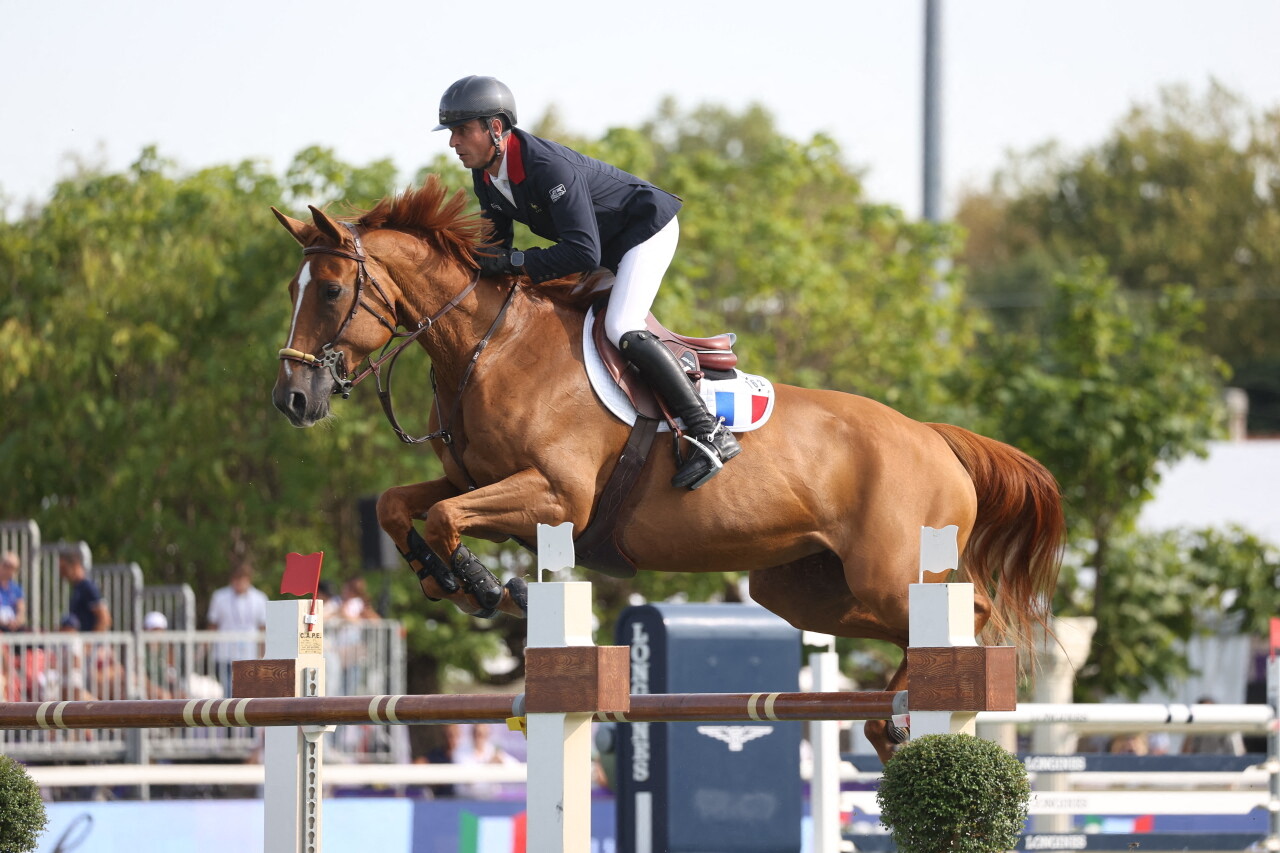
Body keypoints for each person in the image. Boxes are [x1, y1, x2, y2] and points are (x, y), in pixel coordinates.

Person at [435, 75, 741, 490]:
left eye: (461, 130)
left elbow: (582, 253)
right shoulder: (486, 175)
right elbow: (495, 250)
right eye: (450, 132)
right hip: (604, 245)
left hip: (644, 232)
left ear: (496, 127)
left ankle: (709, 431)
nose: (453, 142)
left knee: (621, 326)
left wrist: (515, 262)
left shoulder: (547, 167)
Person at [206, 561, 268, 695]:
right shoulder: (220, 596)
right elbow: (213, 625)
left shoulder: (259, 598)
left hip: (249, 654)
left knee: (247, 690)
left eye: (242, 579)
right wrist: (205, 649)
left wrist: (263, 654)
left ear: (248, 580)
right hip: (224, 653)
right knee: (229, 690)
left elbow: (262, 628)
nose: (238, 583)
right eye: (236, 579)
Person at [58, 548, 111, 631]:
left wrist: (92, 638)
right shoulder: (77, 588)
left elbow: (104, 619)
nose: (62, 574)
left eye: (64, 569)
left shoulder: (87, 587)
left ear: (75, 565)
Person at [0, 551, 26, 632]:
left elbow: (21, 611)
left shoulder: (16, 589)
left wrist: (17, 621)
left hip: (13, 627)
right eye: (9, 567)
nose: (11, 571)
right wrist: (4, 622)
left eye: (15, 568)